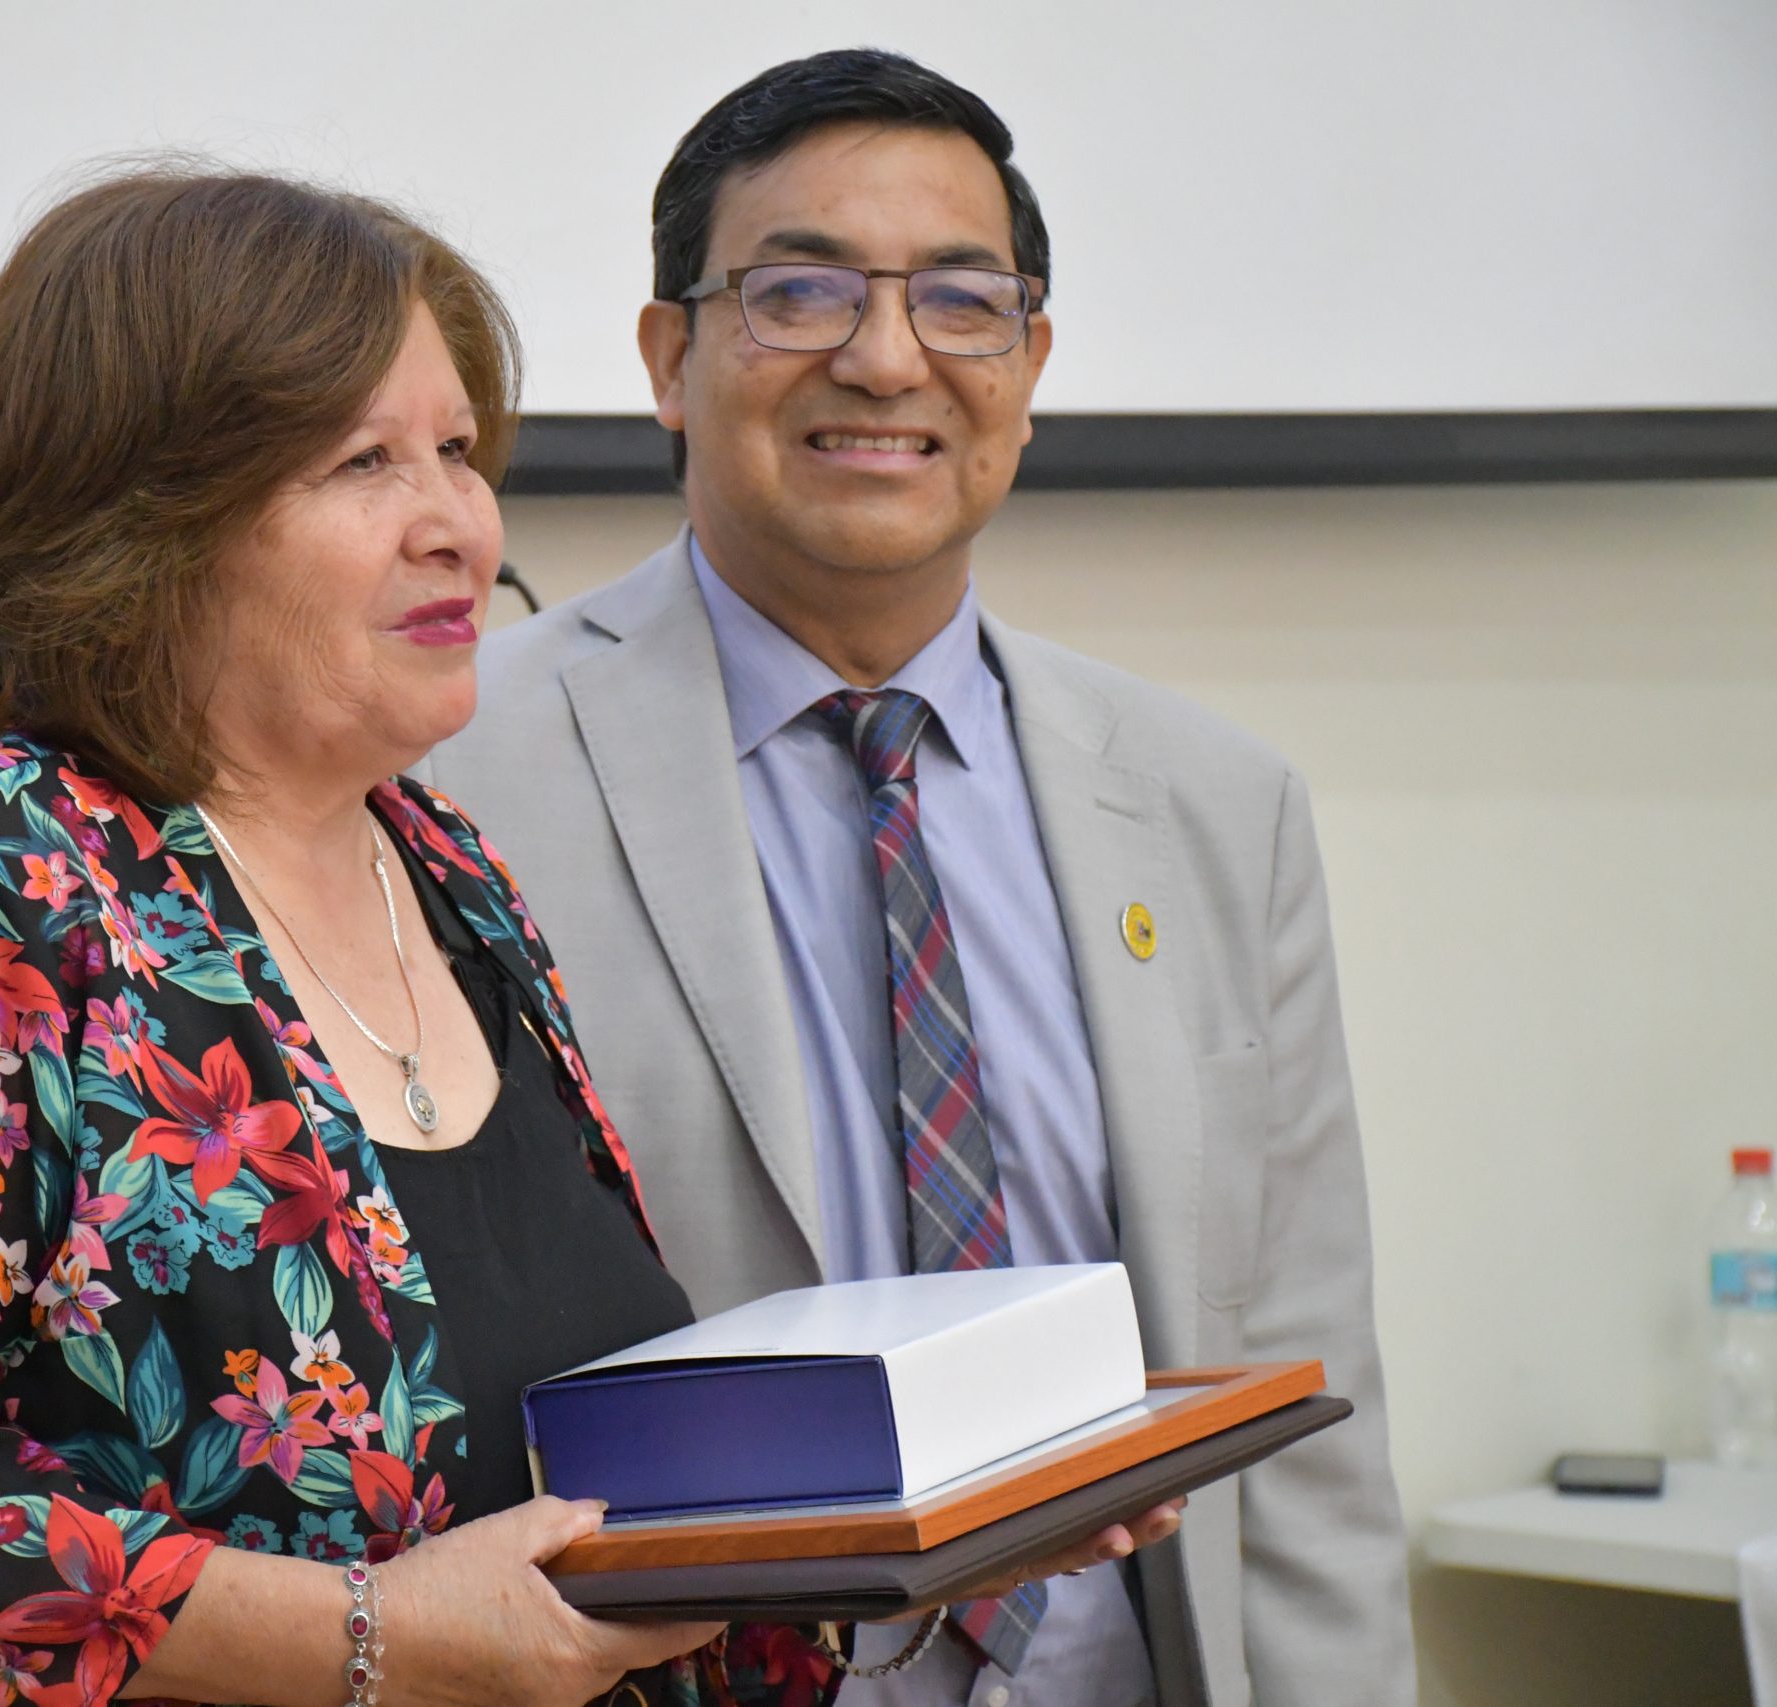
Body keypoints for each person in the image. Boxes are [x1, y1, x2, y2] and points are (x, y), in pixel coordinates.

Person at [0, 166, 1174, 1707]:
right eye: (365, 463)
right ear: (140, 519)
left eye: (458, 452)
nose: (457, 527)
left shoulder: (442, 866)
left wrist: (917, 1526)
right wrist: (369, 1639)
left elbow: (544, 1519)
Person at [423, 50, 1414, 1707]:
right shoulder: (451, 780)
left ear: (1029, 366)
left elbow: (1307, 1420)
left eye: (962, 300)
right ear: (669, 359)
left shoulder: (1214, 806)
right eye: (799, 291)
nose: (886, 358)